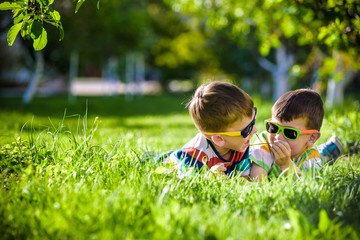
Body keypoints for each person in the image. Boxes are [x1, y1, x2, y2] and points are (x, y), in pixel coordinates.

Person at [144, 81, 257, 178]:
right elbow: (188, 182)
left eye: (254, 121)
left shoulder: (240, 145)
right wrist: (209, 177)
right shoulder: (194, 157)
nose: (255, 130)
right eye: (247, 129)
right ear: (219, 139)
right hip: (170, 163)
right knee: (151, 161)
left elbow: (245, 178)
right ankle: (150, 157)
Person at [250, 88, 344, 181]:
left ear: (311, 138)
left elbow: (308, 185)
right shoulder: (265, 141)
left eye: (289, 133)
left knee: (319, 159)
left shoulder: (311, 155)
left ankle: (328, 151)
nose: (278, 136)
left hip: (307, 155)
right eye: (274, 127)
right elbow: (256, 181)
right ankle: (324, 152)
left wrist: (286, 165)